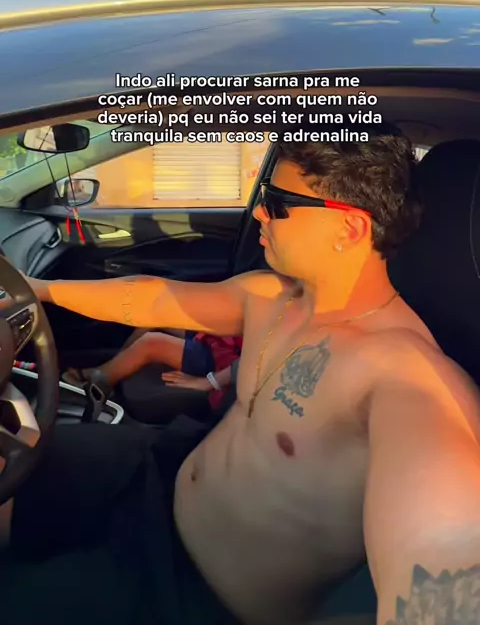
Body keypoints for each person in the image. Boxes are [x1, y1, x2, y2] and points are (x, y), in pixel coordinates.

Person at [9, 124, 480, 625]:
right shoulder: (270, 294)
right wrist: (35, 289)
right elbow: (153, 297)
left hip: (187, 595)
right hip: (156, 480)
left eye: (278, 203)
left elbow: (444, 554)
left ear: (349, 229)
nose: (258, 211)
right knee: (20, 459)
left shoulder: (409, 379)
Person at [62, 327, 242, 414]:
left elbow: (253, 361)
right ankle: (115, 367)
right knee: (156, 316)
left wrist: (209, 382)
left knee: (152, 343)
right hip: (225, 336)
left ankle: (100, 384)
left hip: (226, 359)